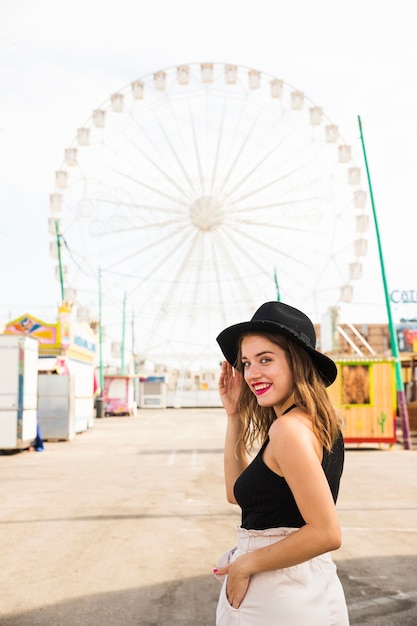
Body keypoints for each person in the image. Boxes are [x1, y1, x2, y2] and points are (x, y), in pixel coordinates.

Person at [213, 301, 349, 626]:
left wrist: (245, 564)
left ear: (297, 361)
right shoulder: (317, 423)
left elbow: (327, 532)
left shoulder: (288, 429)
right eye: (246, 363)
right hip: (307, 583)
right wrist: (235, 417)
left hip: (277, 590)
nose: (252, 373)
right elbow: (236, 493)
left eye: (265, 360)